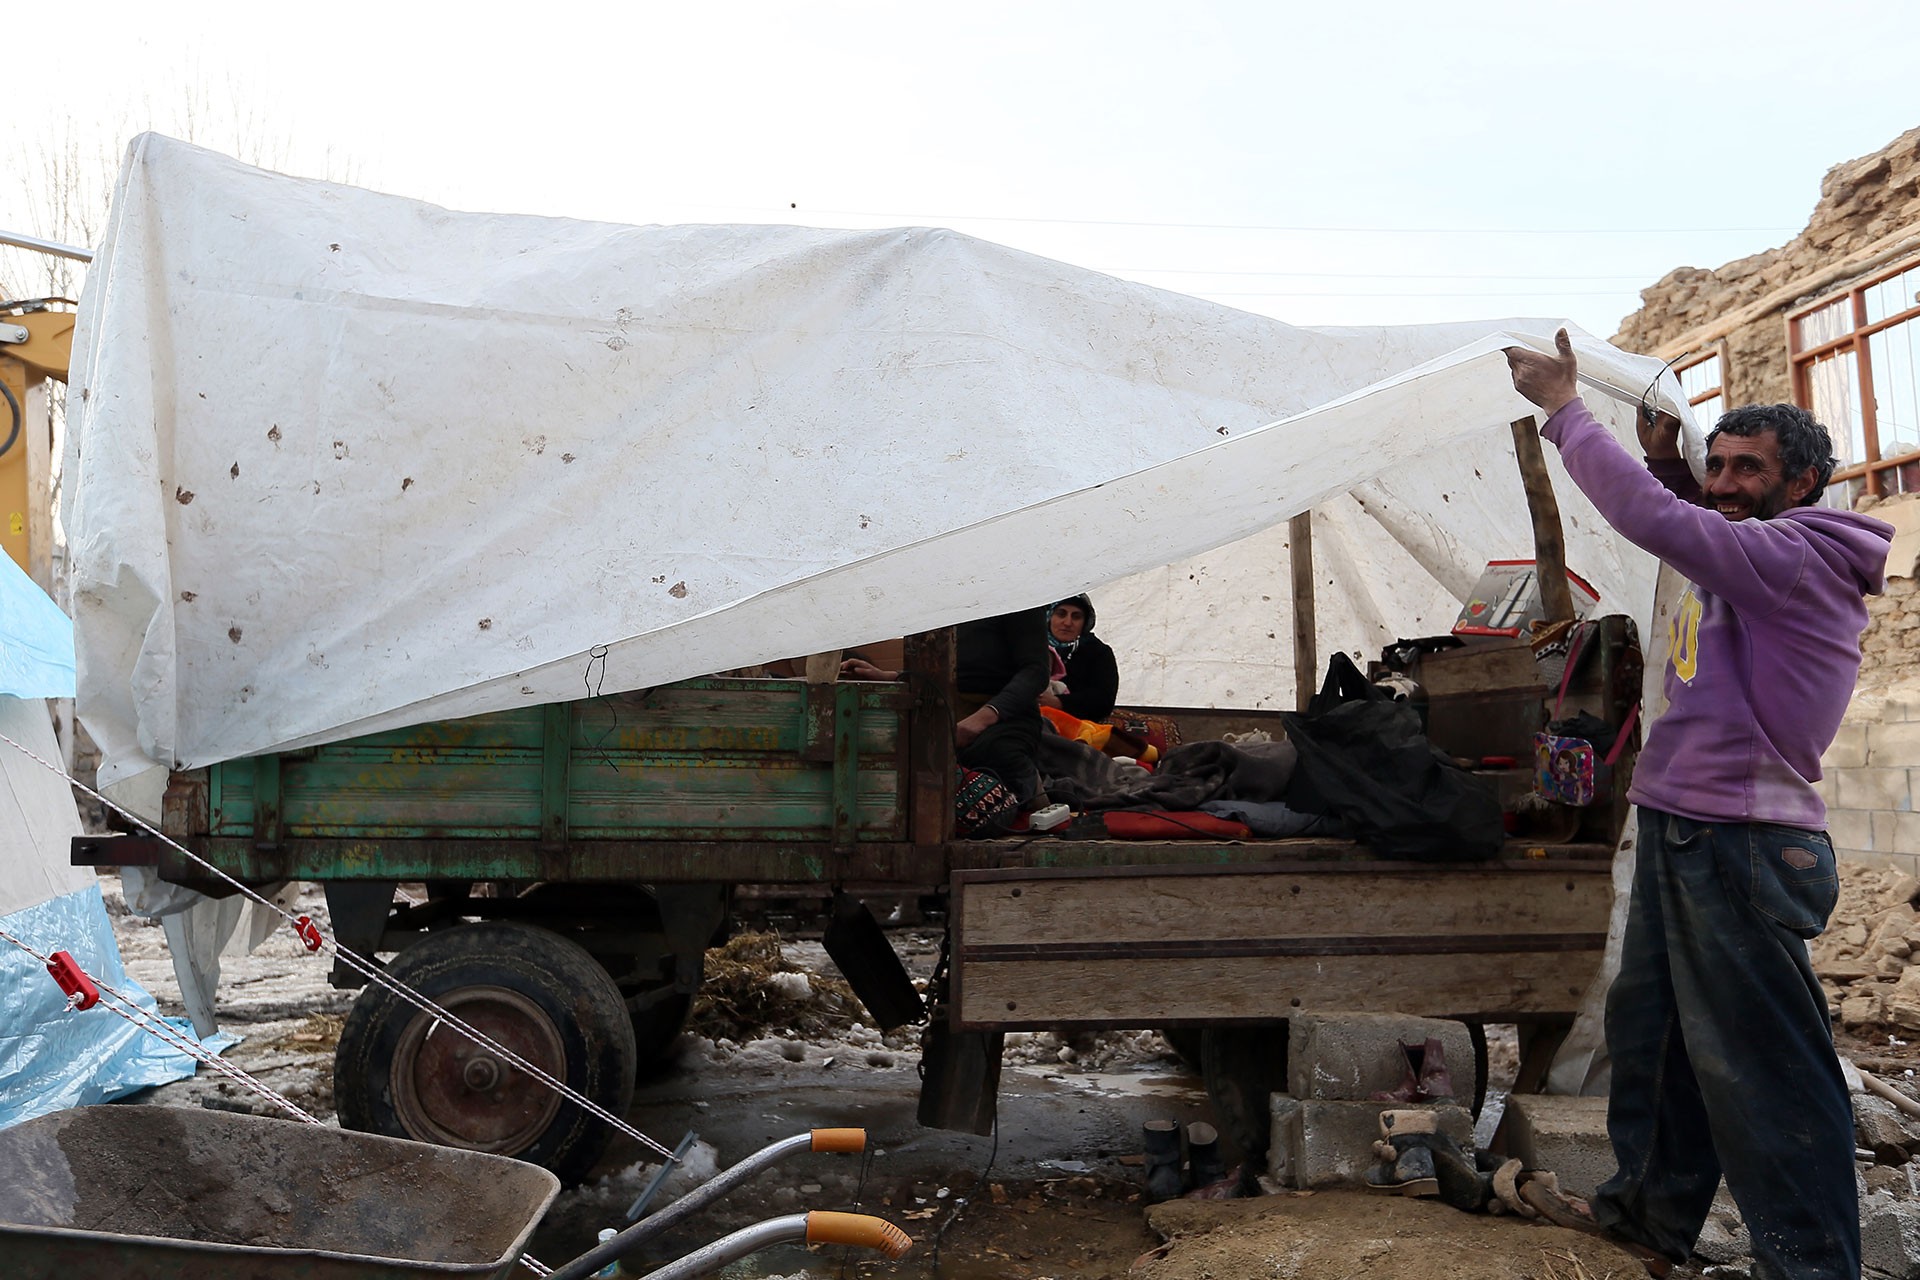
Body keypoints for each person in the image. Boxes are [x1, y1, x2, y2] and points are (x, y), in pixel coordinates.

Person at [1506, 330, 1891, 1280]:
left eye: (1746, 468)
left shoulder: (1794, 556)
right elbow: (1698, 520)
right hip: (1688, 830)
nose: (1722, 482)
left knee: (1763, 1071)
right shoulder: (1760, 552)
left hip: (1742, 845)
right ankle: (1647, 1223)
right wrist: (1670, 462)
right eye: (1715, 463)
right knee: (1659, 1042)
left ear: (1802, 484)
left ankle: (1811, 1265)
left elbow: (1676, 528)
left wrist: (1566, 412)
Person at [841, 607, 1050, 807]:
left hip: (1005, 716)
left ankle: (1033, 800)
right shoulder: (943, 599)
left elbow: (1035, 672)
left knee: (992, 753)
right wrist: (888, 677)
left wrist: (981, 719)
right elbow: (943, 669)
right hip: (946, 710)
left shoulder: (1018, 599)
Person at [1038, 594, 1120, 723]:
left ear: (1085, 622)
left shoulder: (1099, 652)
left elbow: (1104, 700)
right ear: (1049, 617)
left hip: (1079, 726)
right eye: (1061, 614)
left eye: (1076, 617)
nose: (1067, 622)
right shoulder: (1031, 647)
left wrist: (1059, 702)